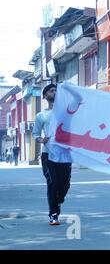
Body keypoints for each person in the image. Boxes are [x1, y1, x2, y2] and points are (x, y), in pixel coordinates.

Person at [32, 84, 72, 226]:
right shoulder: (41, 115)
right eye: (51, 90)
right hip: (47, 154)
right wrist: (41, 139)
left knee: (65, 185)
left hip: (65, 154)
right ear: (45, 96)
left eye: (56, 90)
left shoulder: (66, 112)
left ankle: (58, 200)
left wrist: (68, 88)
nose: (54, 92)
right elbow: (35, 133)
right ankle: (53, 214)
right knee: (52, 182)